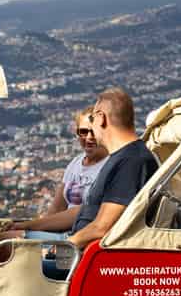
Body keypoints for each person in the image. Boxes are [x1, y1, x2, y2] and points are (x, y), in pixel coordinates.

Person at [67, 87, 158, 250]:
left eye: (92, 118)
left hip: (86, 256)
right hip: (81, 251)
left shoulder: (131, 161)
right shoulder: (124, 158)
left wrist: (64, 246)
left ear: (101, 118)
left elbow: (102, 228)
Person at [11, 106, 108, 241]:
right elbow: (57, 207)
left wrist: (27, 226)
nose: (89, 137)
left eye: (94, 132)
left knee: (7, 239)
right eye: (83, 132)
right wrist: (36, 229)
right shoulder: (76, 162)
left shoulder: (110, 165)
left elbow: (81, 212)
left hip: (80, 237)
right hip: (62, 233)